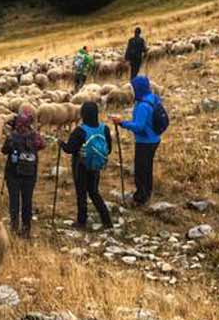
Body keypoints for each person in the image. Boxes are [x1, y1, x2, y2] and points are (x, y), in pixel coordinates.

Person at [110, 75, 163, 206]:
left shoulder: (143, 106)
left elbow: (139, 127)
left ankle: (140, 198)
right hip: (154, 138)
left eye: (133, 88)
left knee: (140, 170)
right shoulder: (153, 98)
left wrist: (122, 123)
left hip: (145, 141)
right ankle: (147, 192)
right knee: (147, 168)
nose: (132, 90)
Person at [60, 101, 114, 230]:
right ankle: (107, 221)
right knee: (94, 192)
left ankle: (81, 221)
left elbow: (70, 149)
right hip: (96, 166)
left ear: (83, 114)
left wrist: (61, 143)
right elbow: (109, 149)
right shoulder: (104, 128)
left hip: (81, 166)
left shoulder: (80, 131)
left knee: (81, 193)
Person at [1, 107, 44, 237]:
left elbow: (4, 150)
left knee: (14, 201)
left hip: (13, 174)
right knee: (27, 201)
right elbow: (42, 145)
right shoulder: (35, 136)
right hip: (30, 174)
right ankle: (26, 229)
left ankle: (14, 228)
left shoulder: (12, 136)